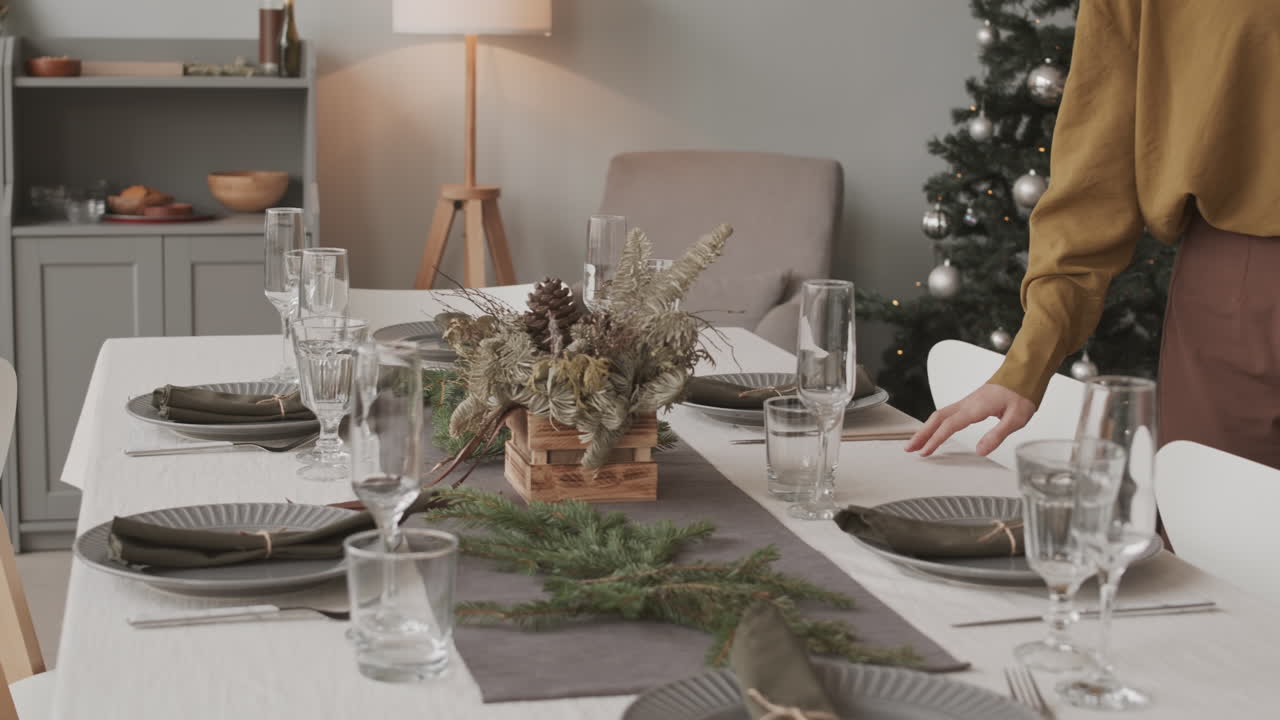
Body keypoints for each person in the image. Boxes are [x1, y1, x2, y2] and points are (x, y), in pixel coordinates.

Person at [907, 0, 1280, 469]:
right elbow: (1094, 180)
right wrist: (1028, 363)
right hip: (1240, 297)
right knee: (1219, 534)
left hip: (1239, 288)